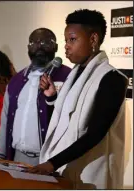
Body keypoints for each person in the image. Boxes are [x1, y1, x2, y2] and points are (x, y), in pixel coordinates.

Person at [27, 9, 128, 189]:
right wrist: (52, 98)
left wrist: (52, 163)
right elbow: (65, 123)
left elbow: (96, 132)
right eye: (66, 40)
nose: (66, 45)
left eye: (72, 39)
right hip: (65, 172)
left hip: (91, 177)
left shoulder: (113, 78)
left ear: (93, 39)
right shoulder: (75, 75)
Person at [0, 28, 71, 166]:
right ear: (28, 48)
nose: (39, 47)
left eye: (46, 42)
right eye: (34, 43)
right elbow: (5, 119)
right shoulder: (16, 81)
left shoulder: (68, 77)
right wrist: (1, 155)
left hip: (49, 160)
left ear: (56, 47)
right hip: (17, 156)